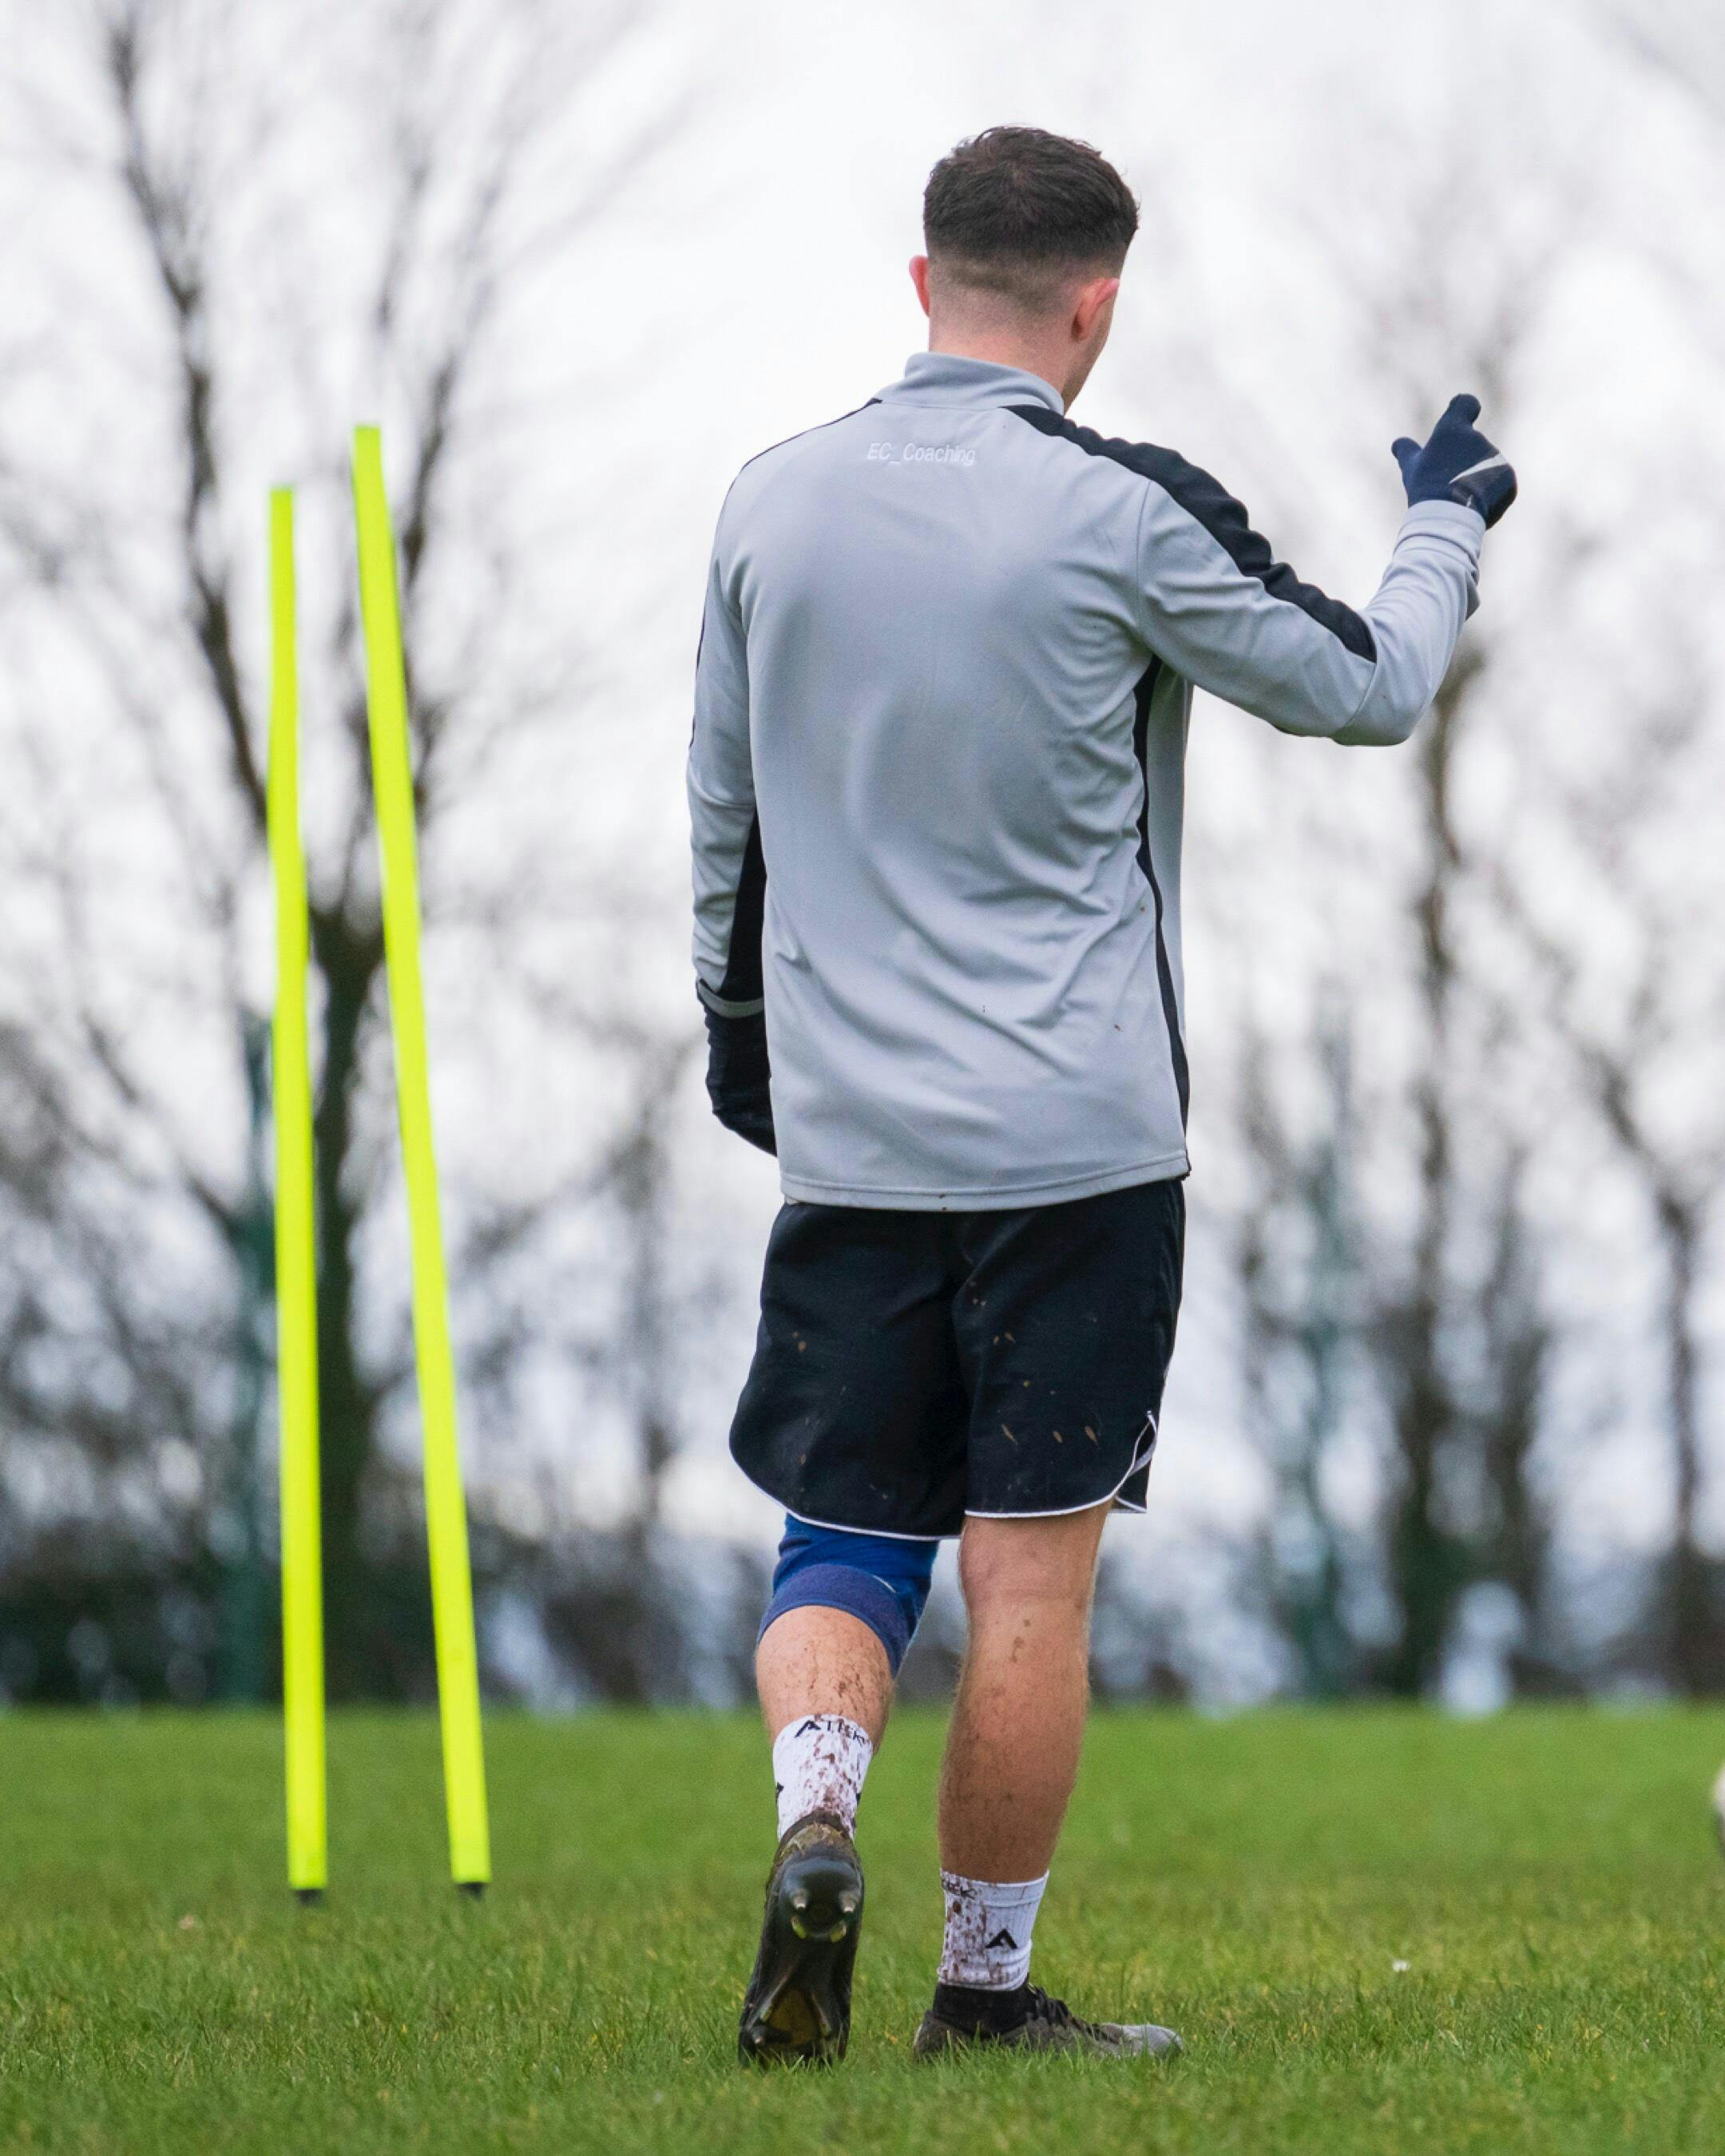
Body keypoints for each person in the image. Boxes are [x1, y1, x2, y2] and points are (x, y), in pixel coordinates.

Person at [686, 125, 1516, 2069]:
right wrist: (1447, 525)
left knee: (840, 1534)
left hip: (854, 1138)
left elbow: (725, 823)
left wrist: (749, 1056)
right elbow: (1368, 687)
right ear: (1096, 305)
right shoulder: (1122, 508)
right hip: (1079, 1148)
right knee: (1028, 1580)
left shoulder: (765, 506)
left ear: (923, 283)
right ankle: (981, 1997)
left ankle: (818, 1817)